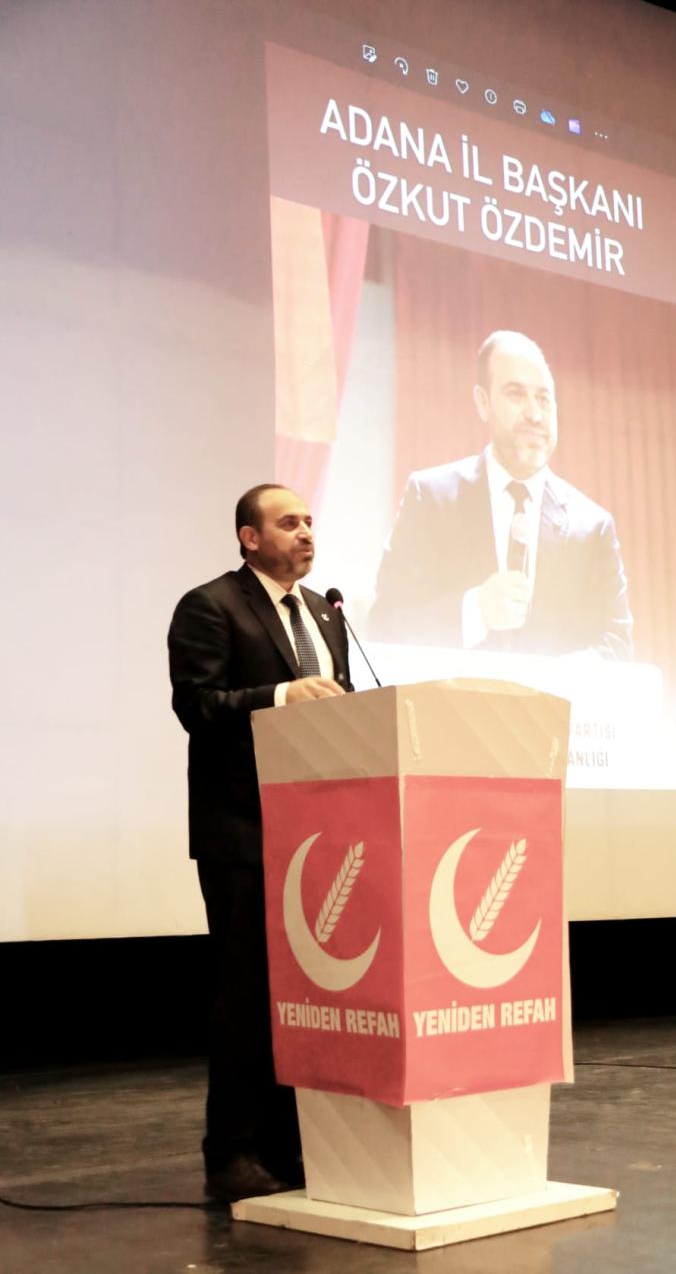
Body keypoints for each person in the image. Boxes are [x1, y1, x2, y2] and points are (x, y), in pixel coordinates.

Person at [168, 484, 351, 1203]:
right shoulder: (211, 606)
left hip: (318, 834)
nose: (306, 532)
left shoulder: (325, 614)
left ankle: (289, 1145)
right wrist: (280, 696)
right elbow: (198, 706)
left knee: (305, 996)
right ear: (249, 536)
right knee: (247, 994)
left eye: (309, 521)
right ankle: (232, 1151)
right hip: (243, 831)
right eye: (288, 522)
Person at [369, 330, 634, 659]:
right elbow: (387, 624)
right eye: (516, 395)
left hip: (554, 695)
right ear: (483, 403)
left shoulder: (592, 527)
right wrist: (476, 611)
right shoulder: (431, 498)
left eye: (543, 399)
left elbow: (617, 645)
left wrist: (552, 679)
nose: (534, 414)